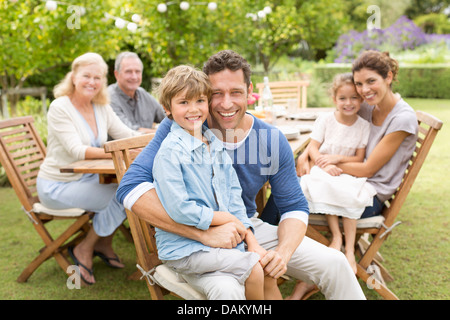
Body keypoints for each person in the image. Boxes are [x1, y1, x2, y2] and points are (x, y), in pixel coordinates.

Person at [116, 50, 365, 300]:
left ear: (249, 91)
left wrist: (283, 253)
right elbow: (130, 188)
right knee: (229, 289)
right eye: (216, 94)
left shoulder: (269, 139)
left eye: (235, 92)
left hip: (244, 226)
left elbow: (293, 206)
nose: (226, 103)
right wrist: (204, 234)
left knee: (335, 262)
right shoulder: (183, 128)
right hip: (190, 239)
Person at [293, 50, 418, 299]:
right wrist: (306, 155)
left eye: (371, 81)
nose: (363, 90)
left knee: (288, 198)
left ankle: (305, 269)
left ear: (389, 77)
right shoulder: (367, 108)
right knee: (292, 189)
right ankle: (313, 267)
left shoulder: (402, 118)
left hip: (369, 196)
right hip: (348, 183)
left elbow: (368, 168)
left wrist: (323, 165)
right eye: (359, 83)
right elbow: (334, 128)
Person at [153, 65, 281, 300]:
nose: (193, 109)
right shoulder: (170, 153)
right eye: (183, 103)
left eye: (200, 100)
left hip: (221, 243)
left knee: (265, 266)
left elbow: (233, 197)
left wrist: (251, 240)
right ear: (167, 108)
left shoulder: (214, 142)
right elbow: (180, 209)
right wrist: (227, 220)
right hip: (185, 249)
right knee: (255, 267)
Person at [36, 52, 140, 285]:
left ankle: (102, 243)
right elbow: (77, 150)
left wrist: (155, 140)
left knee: (130, 186)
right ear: (73, 76)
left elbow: (128, 135)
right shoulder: (60, 107)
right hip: (58, 186)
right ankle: (86, 248)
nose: (92, 82)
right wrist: (119, 150)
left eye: (98, 77)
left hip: (88, 180)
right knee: (122, 194)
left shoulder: (101, 106)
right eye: (86, 76)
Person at [298, 72, 374, 274]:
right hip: (324, 171)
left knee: (349, 192)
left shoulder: (363, 126)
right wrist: (325, 165)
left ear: (361, 99)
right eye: (342, 98)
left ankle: (349, 249)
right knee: (327, 184)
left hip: (346, 171)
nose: (348, 103)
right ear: (334, 100)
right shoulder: (325, 120)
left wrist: (337, 159)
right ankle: (336, 236)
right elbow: (313, 148)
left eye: (354, 98)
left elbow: (359, 158)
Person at [108, 52, 166, 133]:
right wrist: (161, 133)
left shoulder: (143, 94)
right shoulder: (109, 97)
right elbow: (129, 131)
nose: (134, 76)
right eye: (128, 71)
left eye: (137, 71)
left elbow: (167, 116)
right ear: (117, 74)